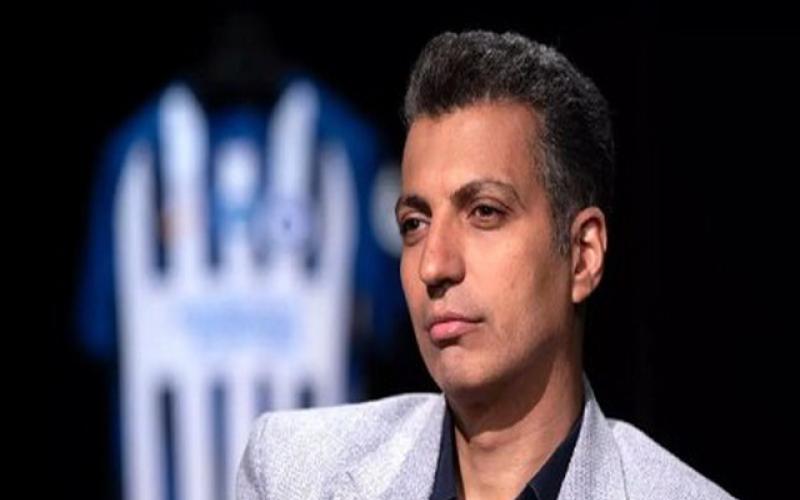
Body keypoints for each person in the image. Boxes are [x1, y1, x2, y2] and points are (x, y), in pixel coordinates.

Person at [236, 30, 735, 500]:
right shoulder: (293, 474)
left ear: (583, 255)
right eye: (414, 223)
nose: (434, 265)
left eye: (484, 212)